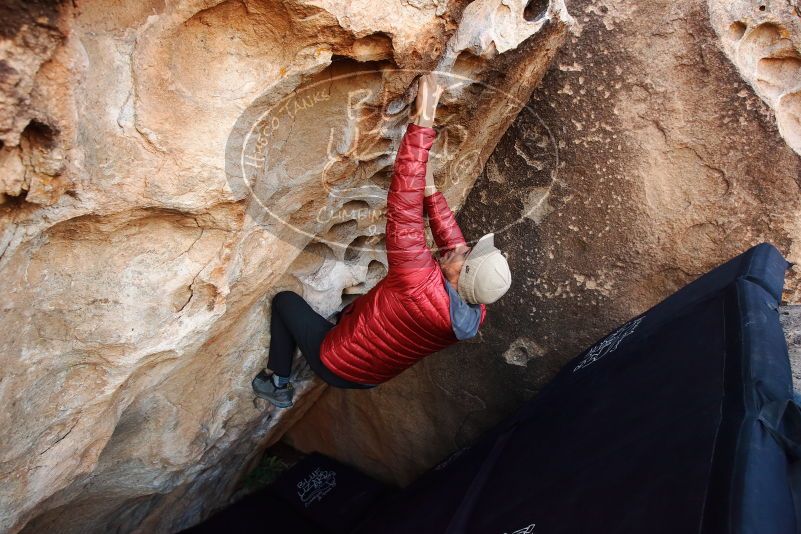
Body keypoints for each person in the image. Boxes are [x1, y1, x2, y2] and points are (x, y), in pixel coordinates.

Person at [252, 74, 512, 408]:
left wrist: (424, 120)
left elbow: (402, 206)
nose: (463, 246)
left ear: (461, 275)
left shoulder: (418, 281)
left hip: (337, 362)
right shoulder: (472, 311)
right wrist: (429, 186)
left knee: (286, 302)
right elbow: (452, 242)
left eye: (467, 254)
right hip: (373, 374)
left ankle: (279, 385)